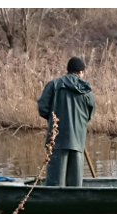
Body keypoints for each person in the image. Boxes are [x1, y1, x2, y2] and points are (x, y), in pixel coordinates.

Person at [37, 57, 96, 188]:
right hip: (78, 140)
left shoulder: (54, 85)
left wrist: (54, 119)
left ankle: (54, 204)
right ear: (81, 71)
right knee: (75, 184)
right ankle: (74, 204)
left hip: (57, 139)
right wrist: (79, 124)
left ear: (68, 71)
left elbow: (42, 108)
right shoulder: (87, 90)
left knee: (55, 183)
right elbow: (90, 113)